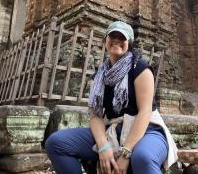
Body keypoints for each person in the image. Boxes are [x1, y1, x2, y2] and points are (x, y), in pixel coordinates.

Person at [45, 21, 178, 174]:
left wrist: (126, 153)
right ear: (106, 41)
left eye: (122, 37)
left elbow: (145, 112)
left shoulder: (140, 69)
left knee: (143, 157)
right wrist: (103, 146)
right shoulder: (99, 77)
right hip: (113, 131)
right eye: (112, 35)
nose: (116, 40)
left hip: (147, 130)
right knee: (56, 143)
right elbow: (95, 116)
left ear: (129, 43)